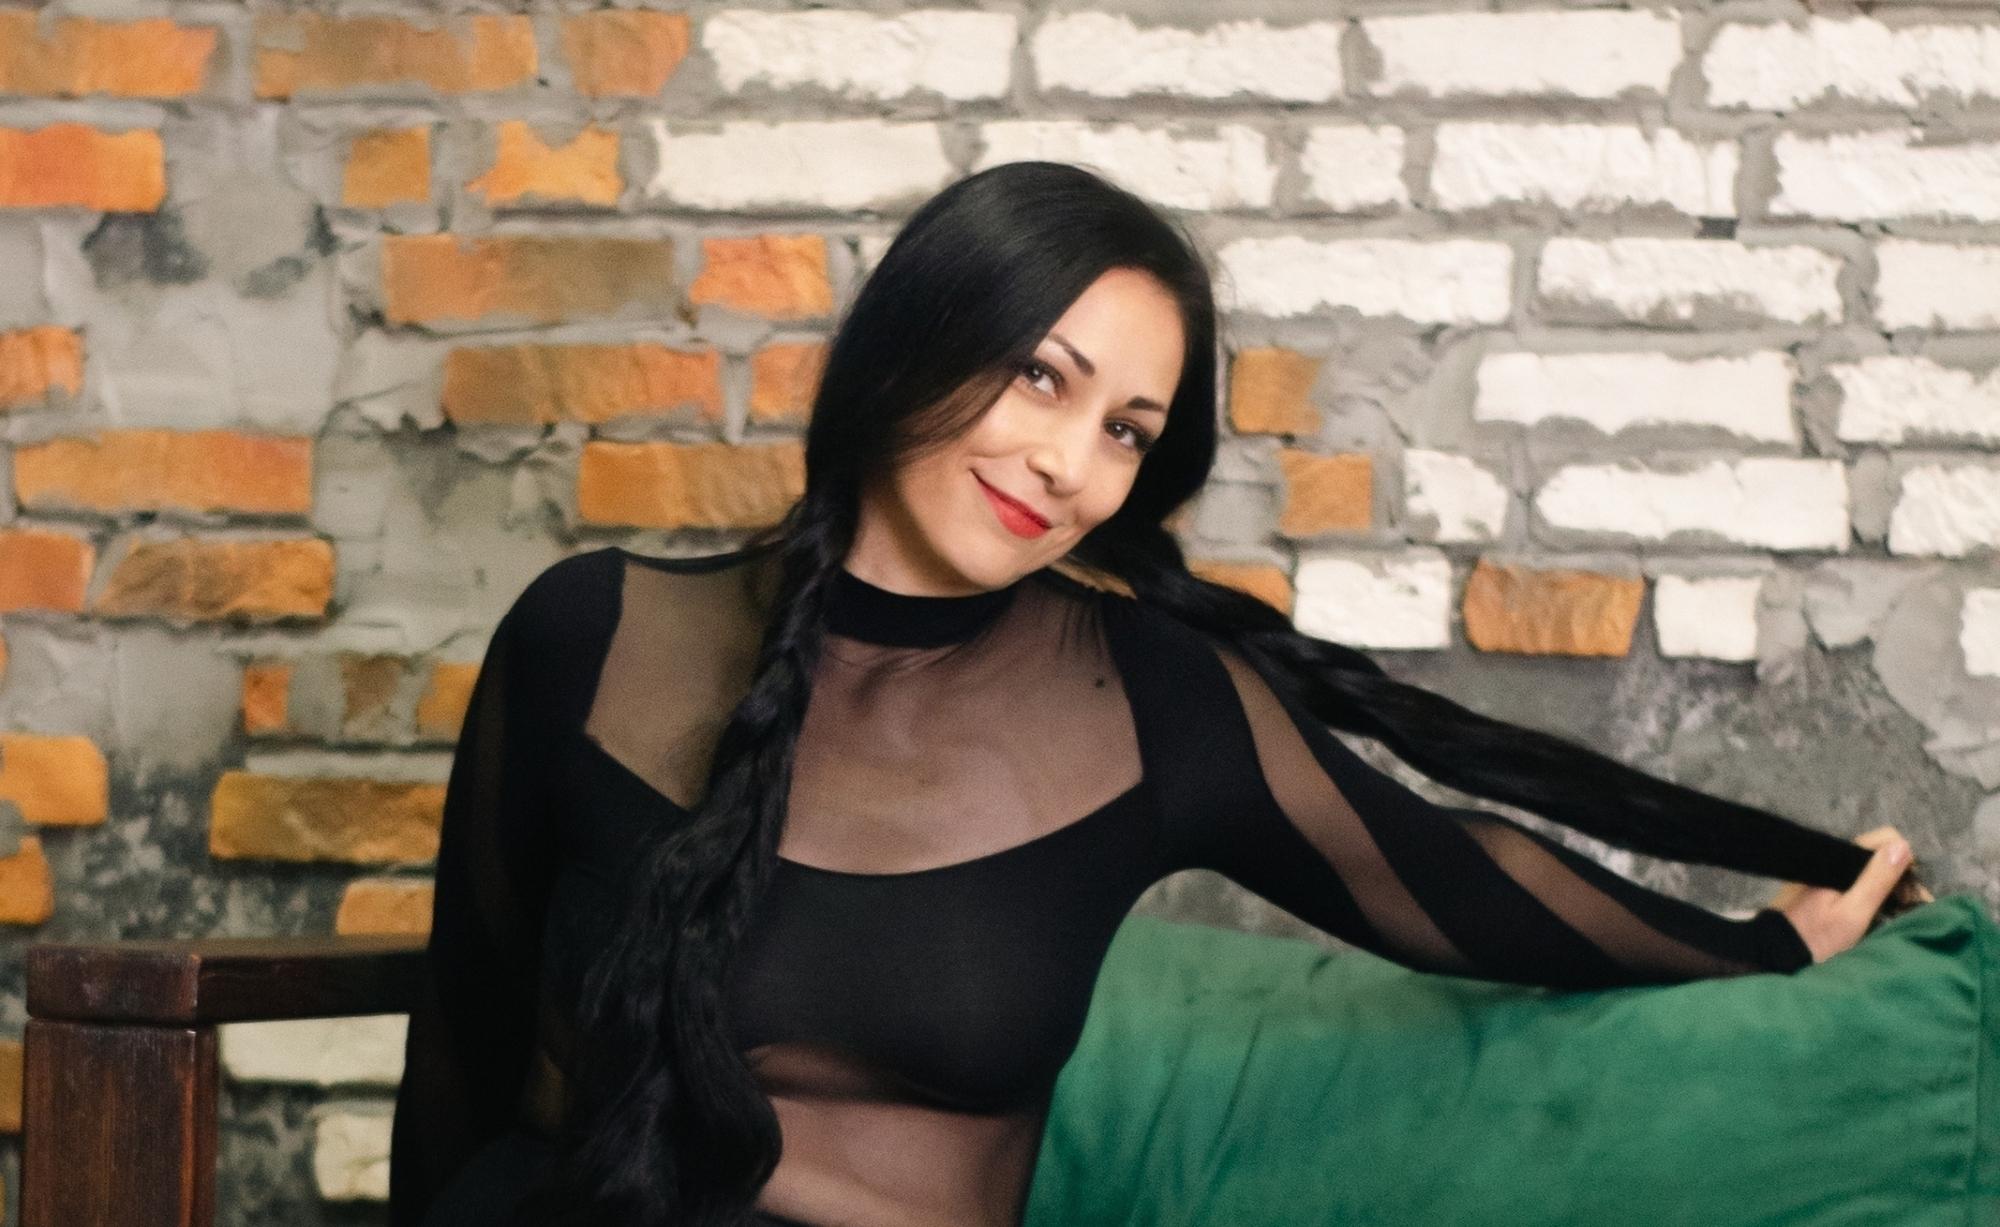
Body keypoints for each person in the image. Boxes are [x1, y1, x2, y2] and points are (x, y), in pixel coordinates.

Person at [388, 160, 1933, 1227]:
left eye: (1127, 430)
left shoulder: (1143, 699)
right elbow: (464, 1036)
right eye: (1042, 377)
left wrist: (1763, 945)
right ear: (918, 338)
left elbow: (1445, 878)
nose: (1070, 464)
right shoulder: (594, 632)